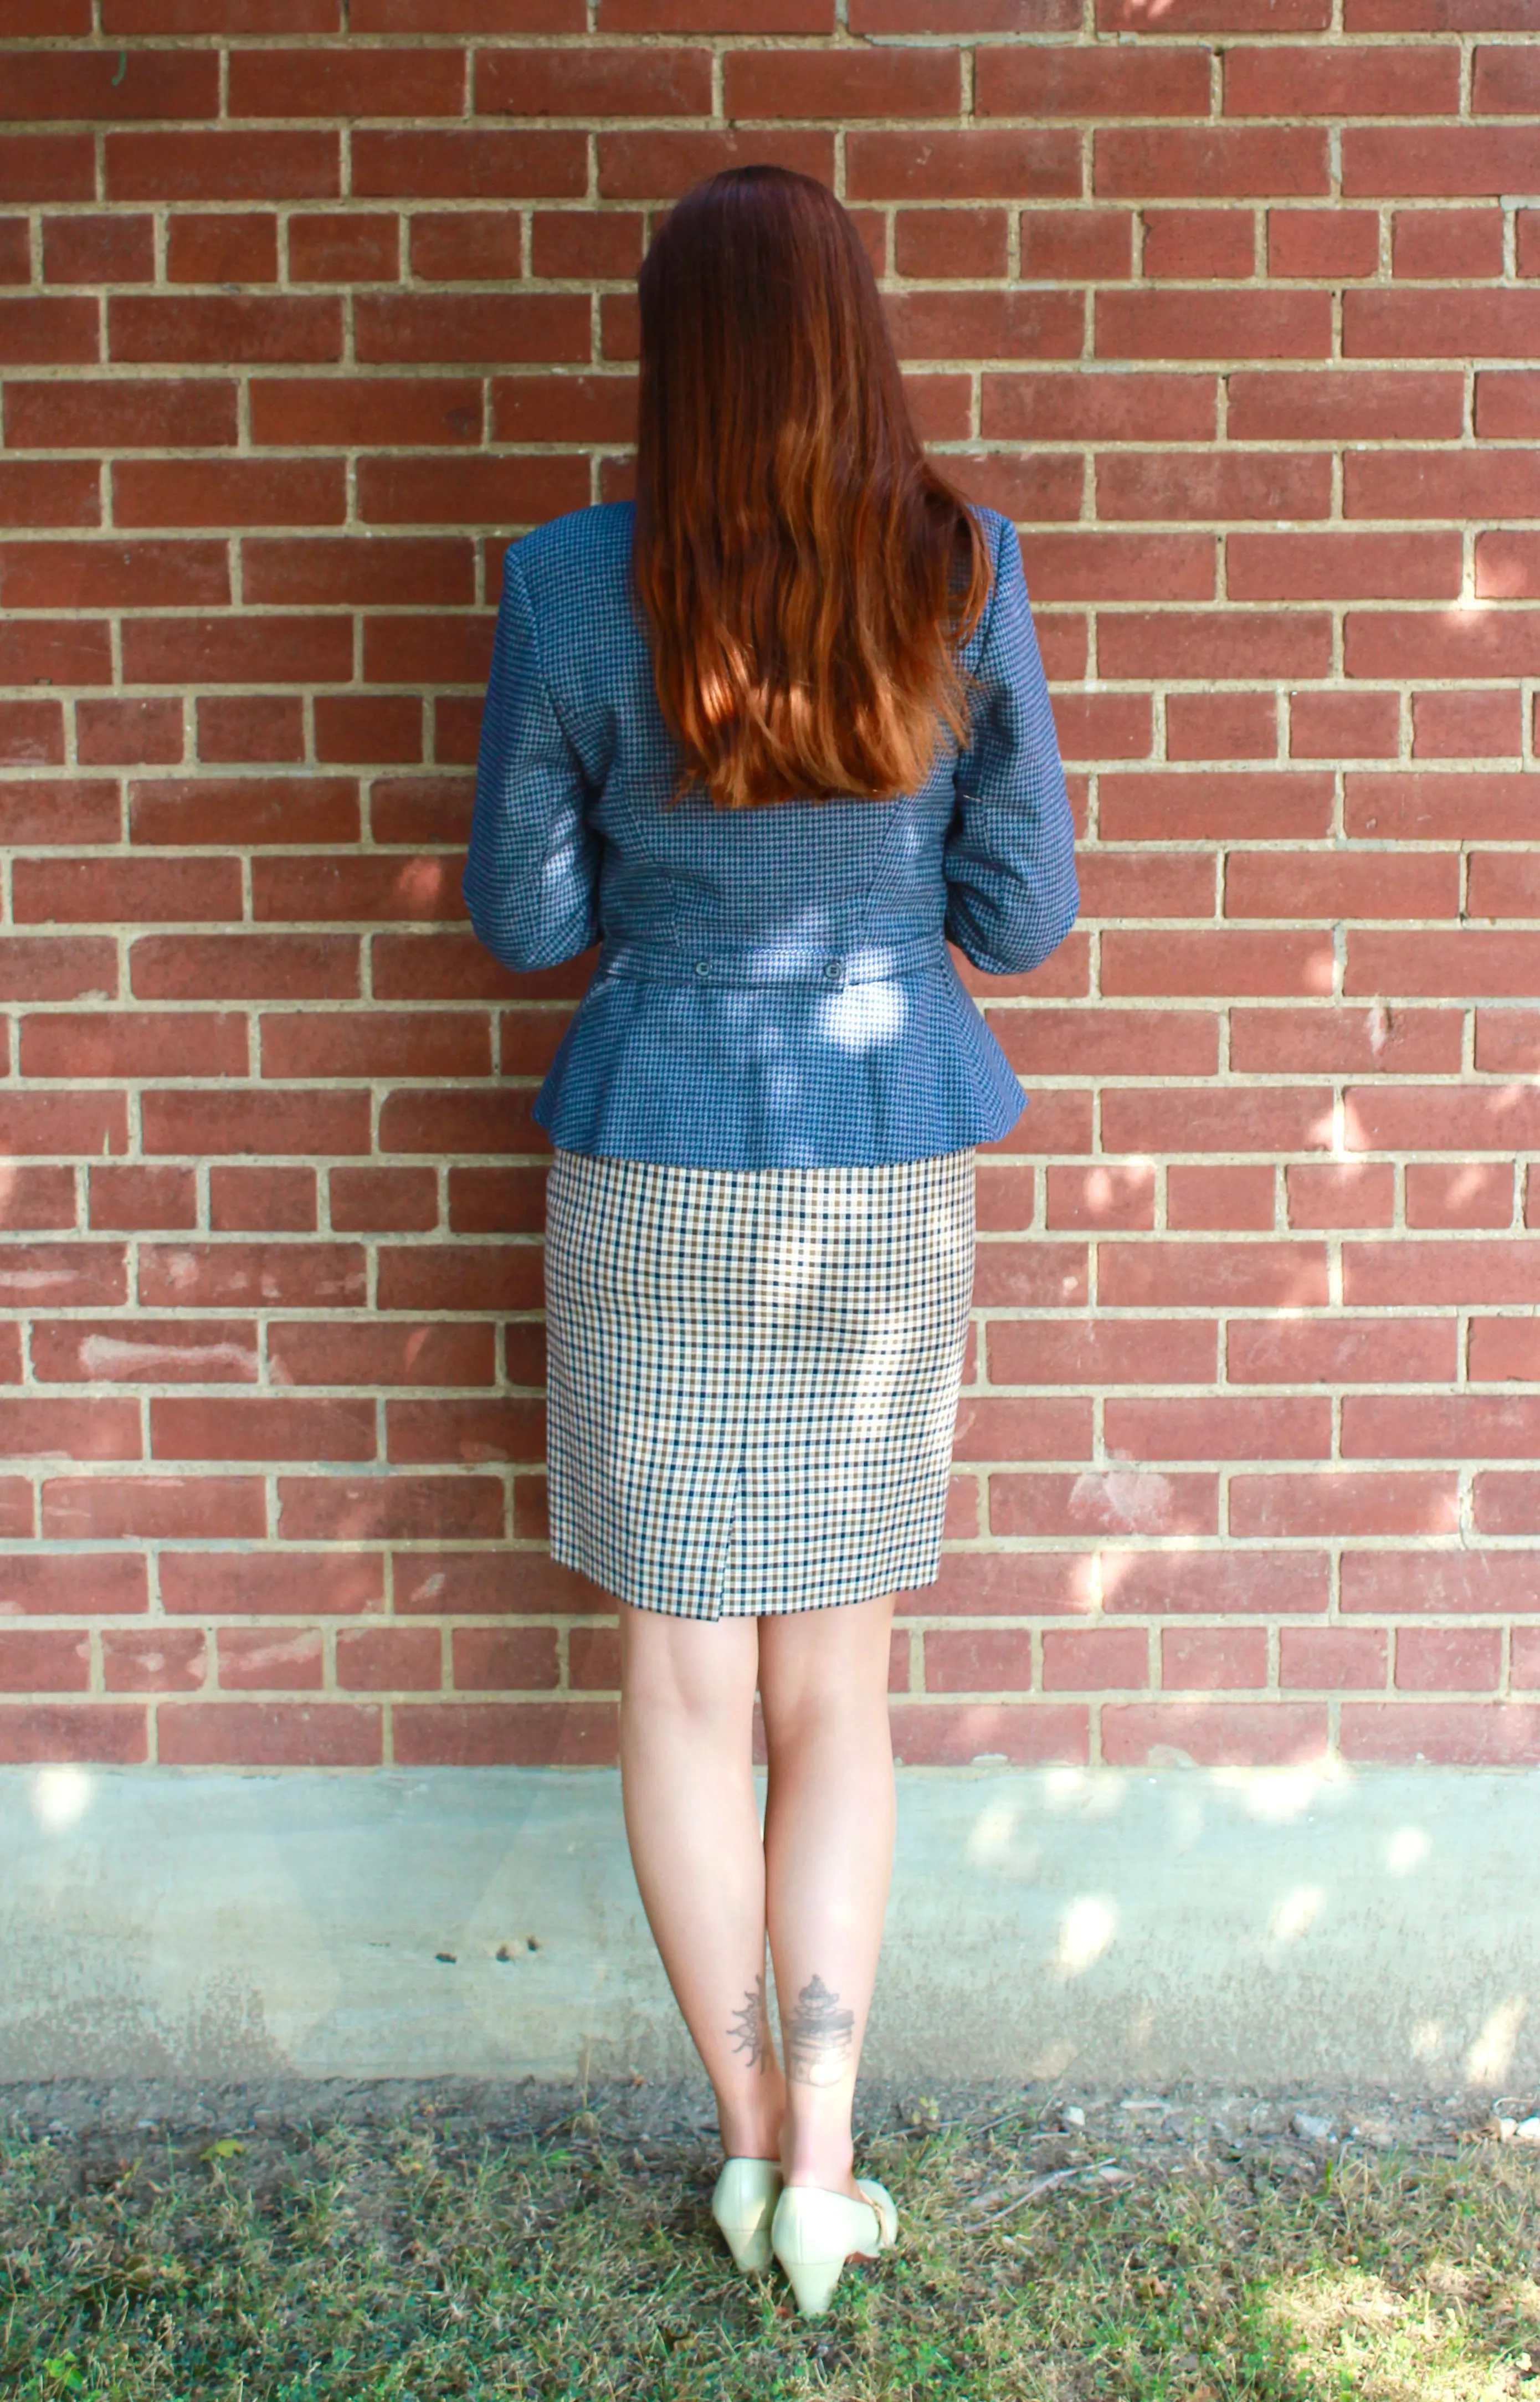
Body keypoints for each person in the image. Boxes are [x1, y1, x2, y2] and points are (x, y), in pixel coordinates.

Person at [463, 162, 1078, 2319]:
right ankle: (825, 2160)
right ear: (854, 344)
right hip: (880, 1159)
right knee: (839, 1693)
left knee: (678, 1681)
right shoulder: (957, 569)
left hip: (654, 1161)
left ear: (673, 361)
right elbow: (1021, 910)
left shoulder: (562, 588)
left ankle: (746, 2146)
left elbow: (527, 918)